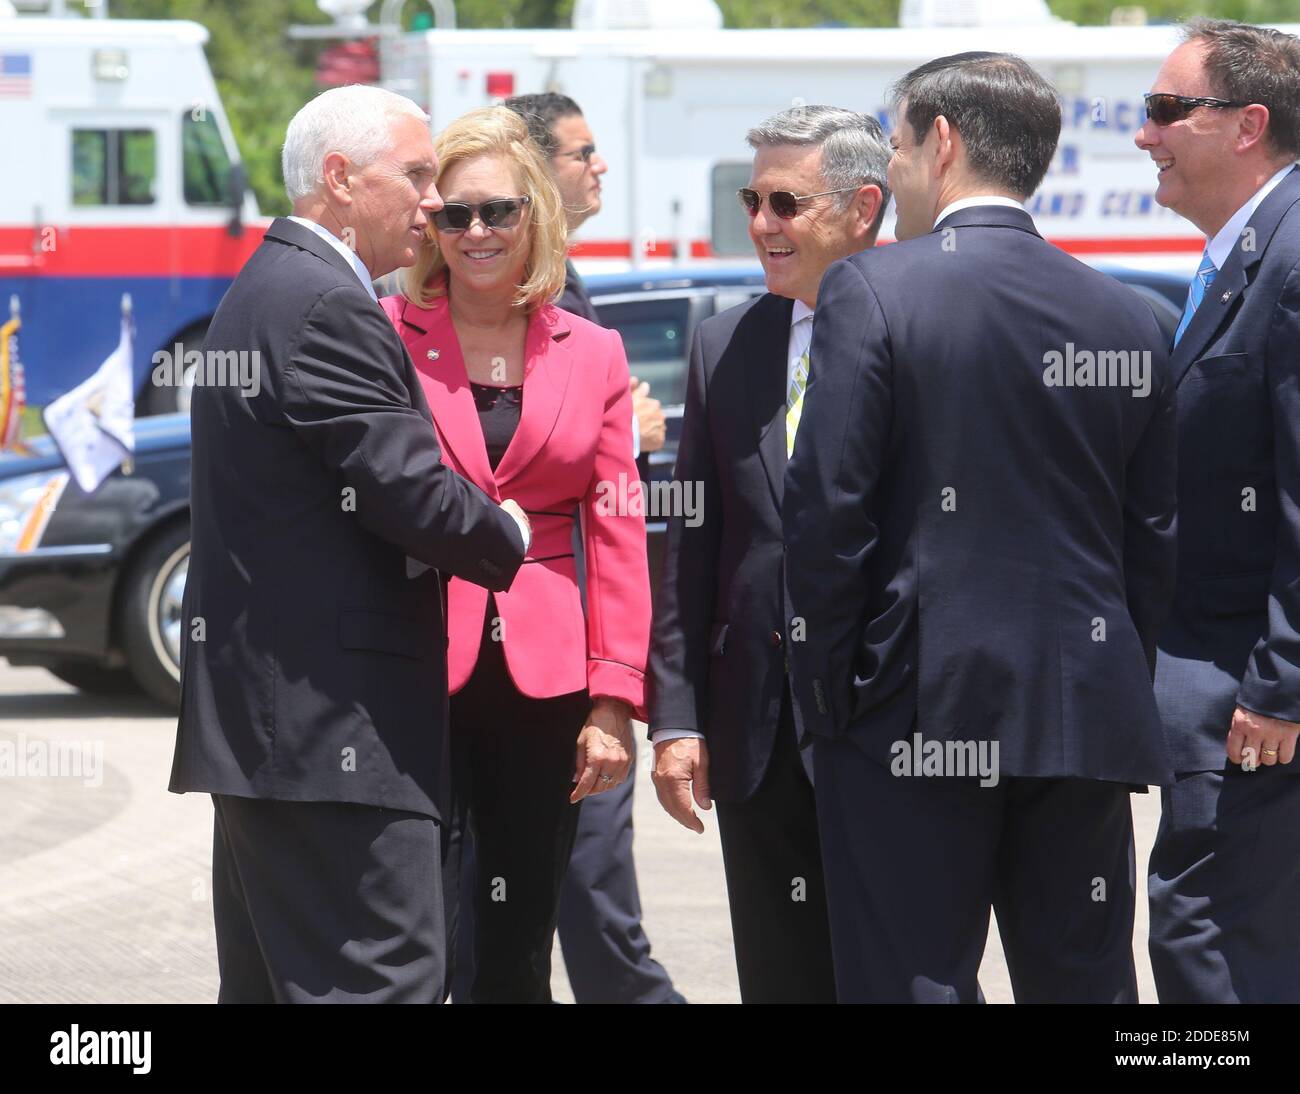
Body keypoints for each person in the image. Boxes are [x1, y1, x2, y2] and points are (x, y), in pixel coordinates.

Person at [784, 53, 1178, 1003]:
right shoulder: (1131, 317)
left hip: (911, 705)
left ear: (945, 142)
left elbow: (828, 511)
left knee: (910, 976)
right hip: (1080, 708)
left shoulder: (873, 290)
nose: (894, 168)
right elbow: (1155, 534)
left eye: (898, 142)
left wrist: (829, 696)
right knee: (1083, 979)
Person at [169, 85, 529, 1003]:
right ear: (337, 178)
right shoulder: (325, 304)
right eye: (412, 176)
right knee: (385, 981)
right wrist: (508, 533)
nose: (432, 203)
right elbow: (408, 491)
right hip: (334, 738)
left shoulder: (274, 286)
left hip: (279, 738)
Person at [379, 105, 651, 1004]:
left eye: (497, 211)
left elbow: (615, 529)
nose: (477, 232)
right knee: (415, 931)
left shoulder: (596, 351)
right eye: (454, 215)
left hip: (548, 683)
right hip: (412, 668)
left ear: (535, 213)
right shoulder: (382, 332)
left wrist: (614, 697)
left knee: (518, 936)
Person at [649, 105, 888, 1002]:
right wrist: (676, 718)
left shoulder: (925, 330)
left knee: (899, 975)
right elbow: (693, 545)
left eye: (785, 202)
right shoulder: (727, 342)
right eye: (753, 199)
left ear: (863, 206)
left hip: (892, 724)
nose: (760, 224)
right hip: (757, 732)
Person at [501, 89, 681, 1005]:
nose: (599, 165)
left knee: (582, 888)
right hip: (534, 647)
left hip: (578, 651)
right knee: (587, 893)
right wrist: (628, 432)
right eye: (580, 153)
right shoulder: (527, 291)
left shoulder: (565, 280)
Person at [1135, 19, 1300, 1004]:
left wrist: (1283, 683)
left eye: (1164, 112)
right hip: (1231, 686)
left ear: (1245, 125)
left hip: (1255, 697)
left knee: (1211, 941)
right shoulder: (1252, 250)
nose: (1145, 135)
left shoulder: (1289, 259)